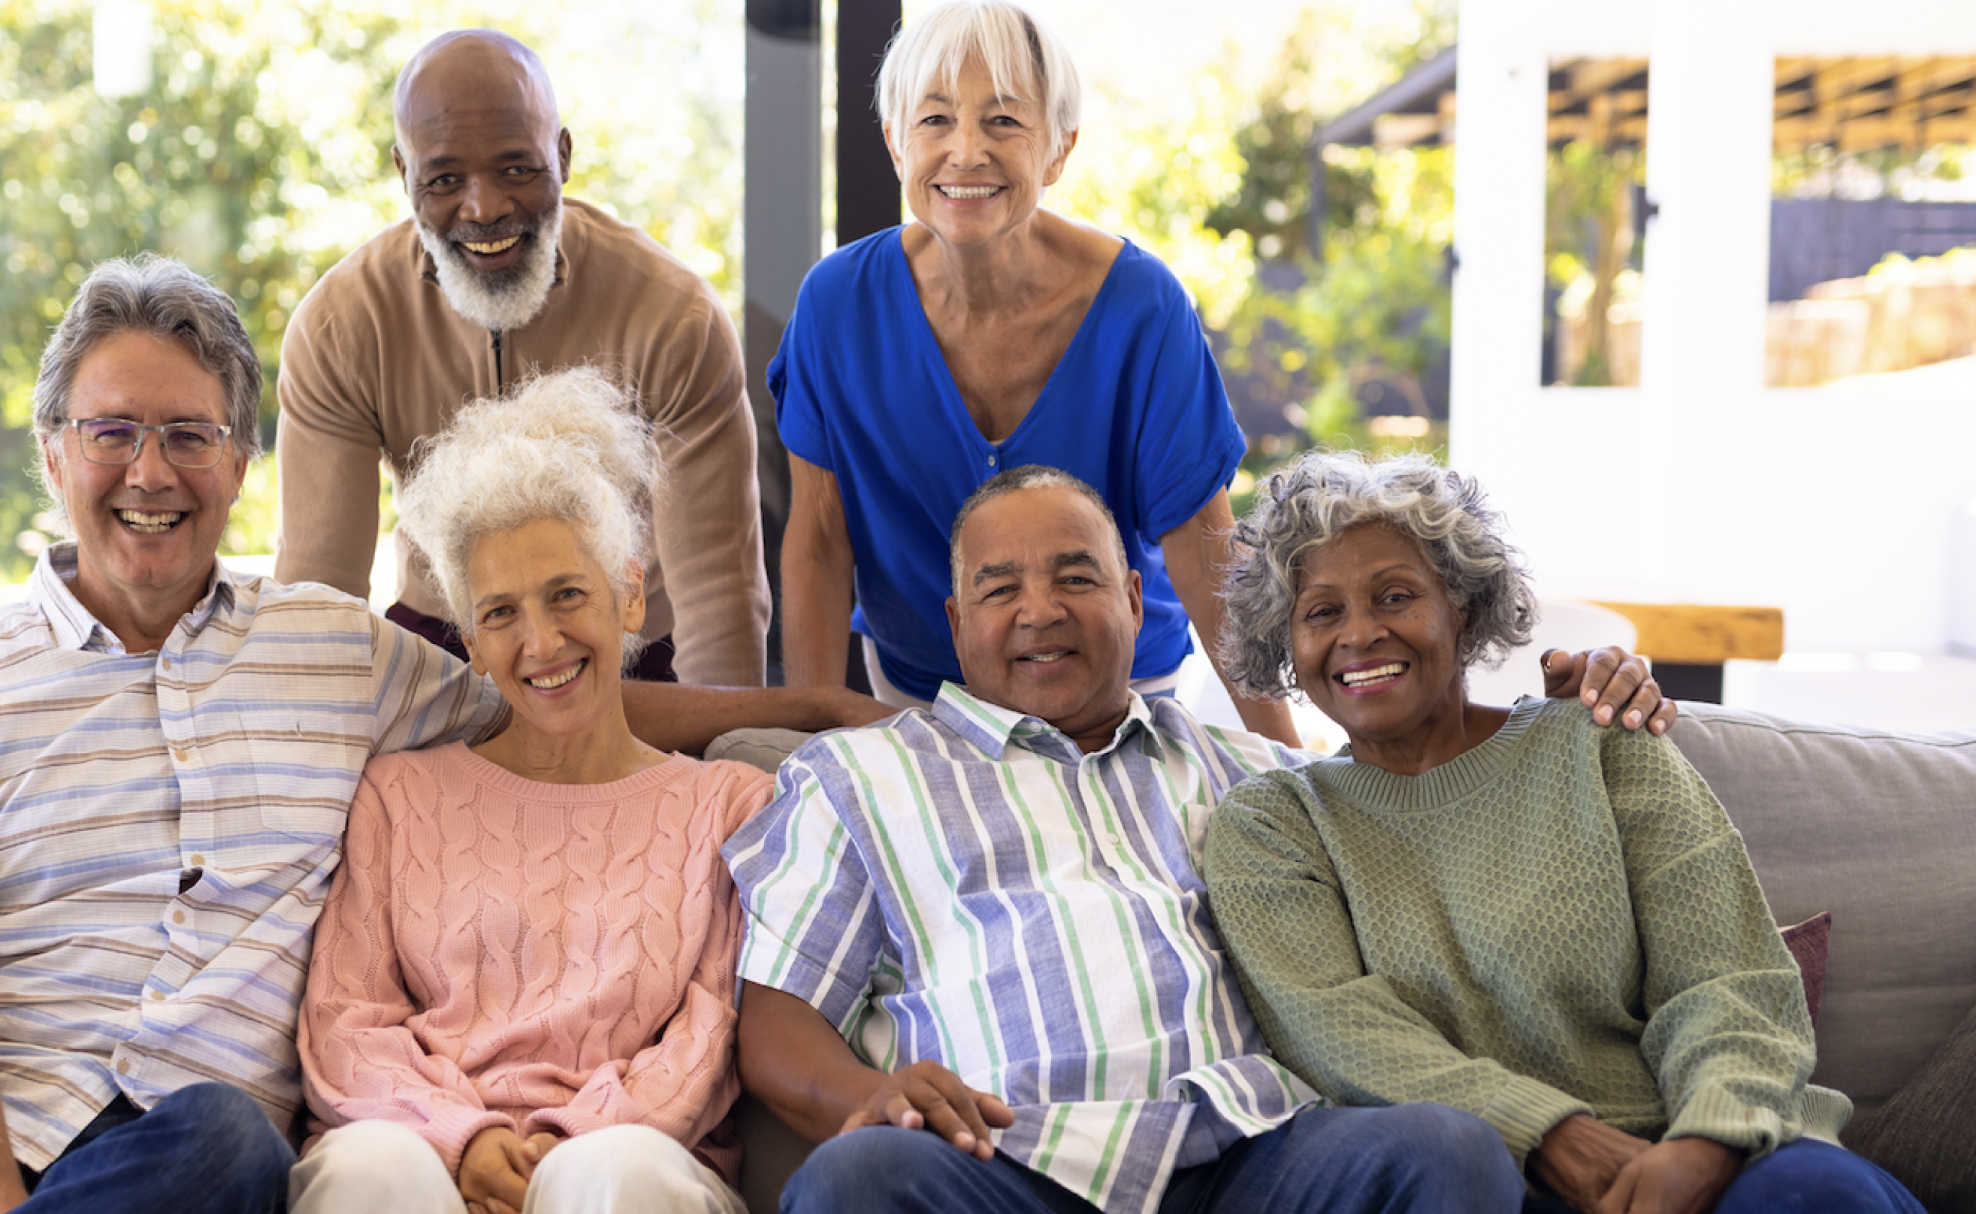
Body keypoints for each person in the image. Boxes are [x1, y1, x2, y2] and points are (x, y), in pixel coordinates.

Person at [0, 255, 881, 1214]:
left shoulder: (333, 651)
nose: (150, 471)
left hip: (214, 1166)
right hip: (20, 1132)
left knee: (225, 1133)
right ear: (53, 451)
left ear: (240, 462)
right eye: (111, 432)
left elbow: (559, 704)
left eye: (190, 434)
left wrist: (810, 708)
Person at [725, 465, 1671, 1214]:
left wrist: (1562, 720)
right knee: (854, 1184)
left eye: (1076, 576)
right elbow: (777, 1021)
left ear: (1137, 599)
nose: (1040, 610)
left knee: (1448, 1150)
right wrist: (868, 1097)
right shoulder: (858, 781)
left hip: (1255, 1153)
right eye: (1000, 587)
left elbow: (1439, 820)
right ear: (955, 623)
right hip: (1000, 1161)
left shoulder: (1257, 773)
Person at [1203, 450, 1924, 1214]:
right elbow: (1341, 1031)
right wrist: (1555, 1136)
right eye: (1321, 613)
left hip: (1742, 1153)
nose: (1361, 634)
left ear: (1465, 608)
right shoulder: (1274, 825)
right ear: (1287, 645)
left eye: (1395, 595)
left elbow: (1728, 975)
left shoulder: (1599, 742)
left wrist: (1706, 1143)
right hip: (1498, 1181)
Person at [290, 369, 766, 1214]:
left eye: (567, 595)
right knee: (367, 1169)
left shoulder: (728, 806)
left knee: (615, 1174)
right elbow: (345, 1021)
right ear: (470, 640)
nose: (540, 641)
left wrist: (565, 1144)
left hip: (633, 1155)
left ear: (629, 598)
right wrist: (462, 1140)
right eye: (501, 612)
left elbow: (711, 1032)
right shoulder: (398, 797)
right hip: (422, 1147)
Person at [773, 0, 1300, 743]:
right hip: (923, 691)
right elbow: (820, 540)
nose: (965, 152)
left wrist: (1285, 759)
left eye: (1003, 121)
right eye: (934, 121)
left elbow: (1204, 545)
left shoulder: (1142, 307)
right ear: (895, 144)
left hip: (1119, 690)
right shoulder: (835, 306)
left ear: (1058, 148)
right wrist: (810, 742)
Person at [276, 28, 769, 688]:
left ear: (563, 155)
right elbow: (319, 602)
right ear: (404, 173)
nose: (485, 207)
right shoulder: (340, 325)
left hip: (636, 653)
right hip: (445, 651)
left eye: (516, 169)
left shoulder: (674, 316)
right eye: (445, 178)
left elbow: (719, 598)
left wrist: (725, 767)